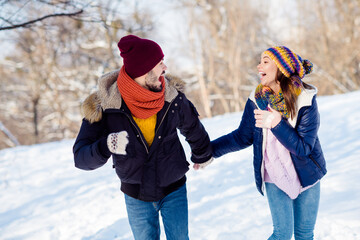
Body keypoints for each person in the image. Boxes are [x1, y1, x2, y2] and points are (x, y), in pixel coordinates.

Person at [73, 35, 213, 240]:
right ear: (142, 71)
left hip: (174, 188)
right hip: (135, 194)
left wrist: (202, 154)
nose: (165, 68)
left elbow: (192, 126)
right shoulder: (106, 105)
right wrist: (106, 145)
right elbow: (80, 157)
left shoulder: (171, 97)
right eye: (159, 63)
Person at [205, 46, 327, 239]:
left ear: (281, 68)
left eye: (265, 61)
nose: (258, 65)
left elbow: (303, 148)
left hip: (307, 173)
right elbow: (242, 137)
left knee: (304, 234)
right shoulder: (257, 99)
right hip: (275, 173)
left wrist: (277, 124)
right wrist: (209, 151)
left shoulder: (305, 99)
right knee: (282, 235)